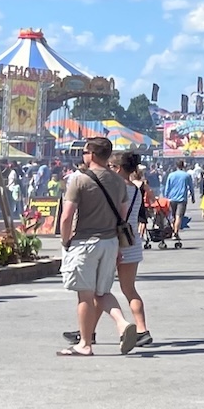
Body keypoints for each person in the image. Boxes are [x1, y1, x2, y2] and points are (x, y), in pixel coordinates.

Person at [58, 137, 143, 357]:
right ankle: (122, 323)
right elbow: (122, 218)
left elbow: (66, 216)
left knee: (85, 295)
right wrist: (118, 249)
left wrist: (65, 240)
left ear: (93, 155)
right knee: (102, 292)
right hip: (110, 243)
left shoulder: (80, 180)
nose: (83, 156)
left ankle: (85, 344)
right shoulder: (119, 182)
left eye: (85, 152)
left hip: (85, 242)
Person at [162, 164, 194, 244]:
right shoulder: (187, 175)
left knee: (172, 216)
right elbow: (191, 187)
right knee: (178, 216)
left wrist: (165, 197)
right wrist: (193, 197)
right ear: (183, 166)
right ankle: (175, 233)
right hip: (182, 199)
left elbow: (167, 187)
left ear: (176, 166)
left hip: (171, 198)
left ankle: (173, 230)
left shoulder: (171, 175)